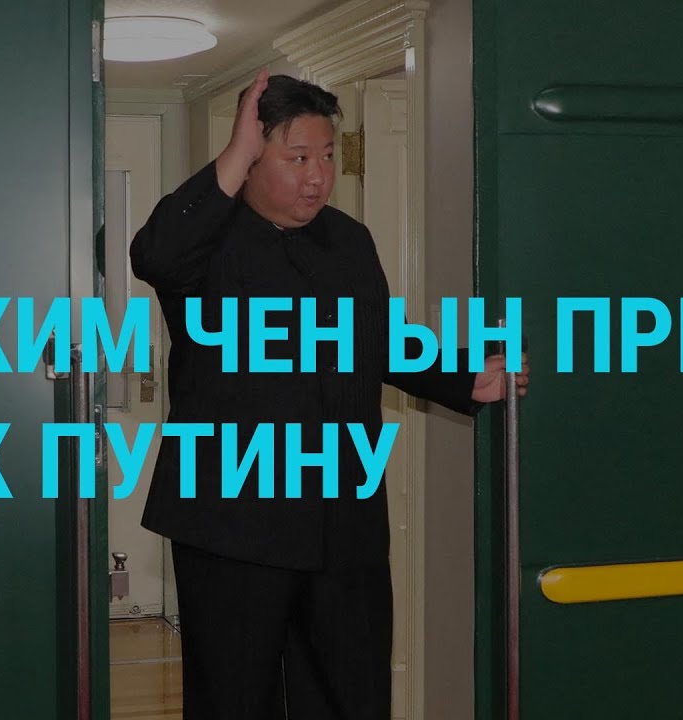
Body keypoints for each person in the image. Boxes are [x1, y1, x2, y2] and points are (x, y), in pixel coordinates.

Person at [130, 69, 529, 720]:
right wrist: (235, 149)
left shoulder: (348, 240)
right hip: (232, 522)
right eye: (297, 158)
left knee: (352, 695)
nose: (317, 176)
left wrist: (463, 377)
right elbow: (154, 255)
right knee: (234, 699)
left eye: (325, 156)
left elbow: (377, 341)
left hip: (343, 522)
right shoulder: (205, 244)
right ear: (253, 157)